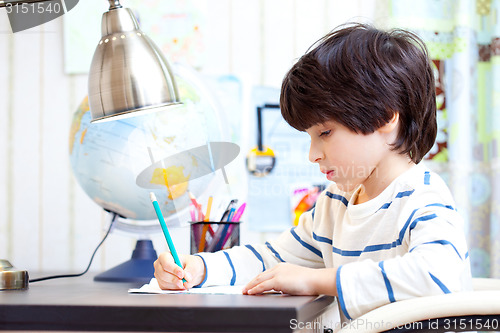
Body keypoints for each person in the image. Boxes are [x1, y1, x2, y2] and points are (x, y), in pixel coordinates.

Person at [154, 23, 472, 322]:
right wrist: (199, 267)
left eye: (325, 133)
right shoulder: (336, 203)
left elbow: (436, 274)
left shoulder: (423, 195)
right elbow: (272, 260)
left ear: (386, 118)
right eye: (310, 136)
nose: (312, 155)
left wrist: (316, 279)